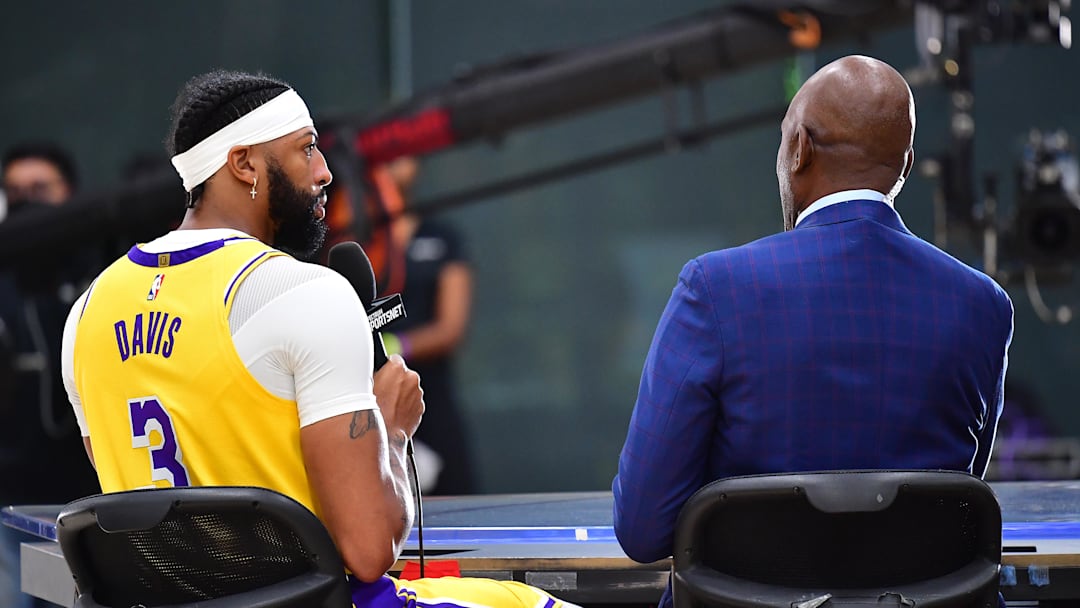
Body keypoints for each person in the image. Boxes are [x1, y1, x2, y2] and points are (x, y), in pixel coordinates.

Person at [60, 69, 575, 608]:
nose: (327, 172)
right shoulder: (303, 292)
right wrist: (392, 434)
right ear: (243, 164)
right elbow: (369, 551)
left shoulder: (87, 313)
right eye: (307, 150)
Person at [612, 55, 1014, 608]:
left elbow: (641, 529)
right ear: (905, 163)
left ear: (798, 148)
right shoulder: (983, 305)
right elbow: (958, 492)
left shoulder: (714, 288)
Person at [1, 142, 100, 608]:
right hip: (12, 509)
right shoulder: (5, 281)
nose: (27, 203)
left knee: (66, 602)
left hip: (85, 510)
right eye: (14, 193)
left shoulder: (101, 275)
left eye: (40, 189)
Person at [376, 156, 476, 495]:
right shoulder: (349, 242)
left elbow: (451, 328)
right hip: (370, 403)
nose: (396, 164)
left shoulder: (442, 237)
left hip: (433, 399)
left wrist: (393, 346)